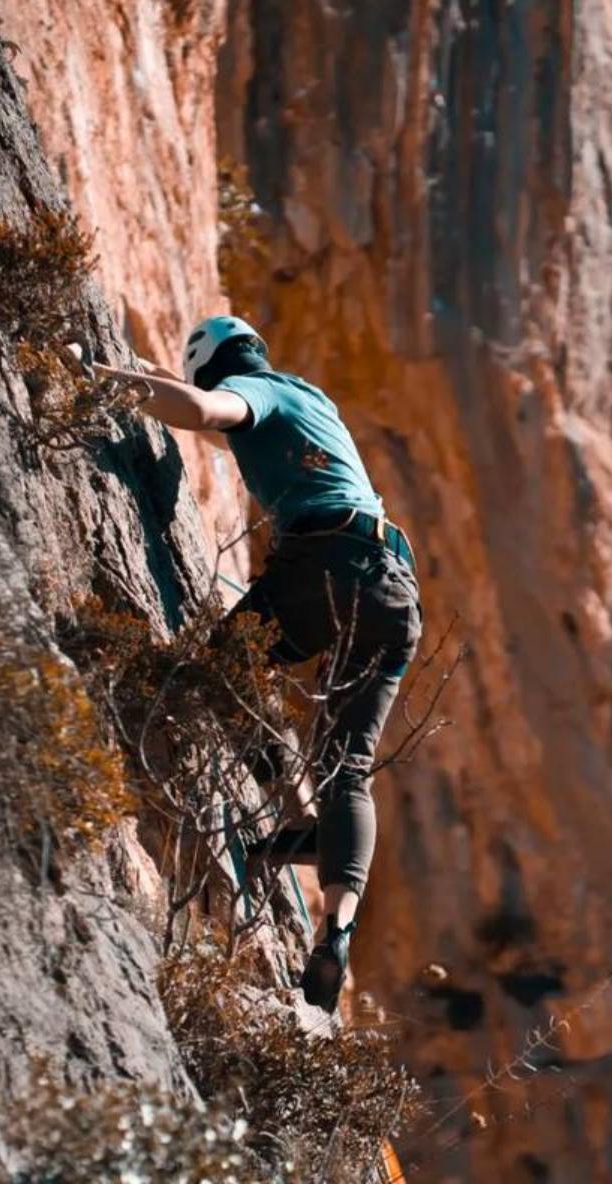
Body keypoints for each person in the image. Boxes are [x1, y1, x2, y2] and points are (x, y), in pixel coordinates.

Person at [129, 315, 422, 1011]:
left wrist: (106, 381)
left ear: (218, 364)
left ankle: (285, 795)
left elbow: (203, 410)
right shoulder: (311, 397)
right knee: (348, 769)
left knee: (219, 671)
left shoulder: (256, 391)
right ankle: (336, 924)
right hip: (394, 591)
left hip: (329, 562)